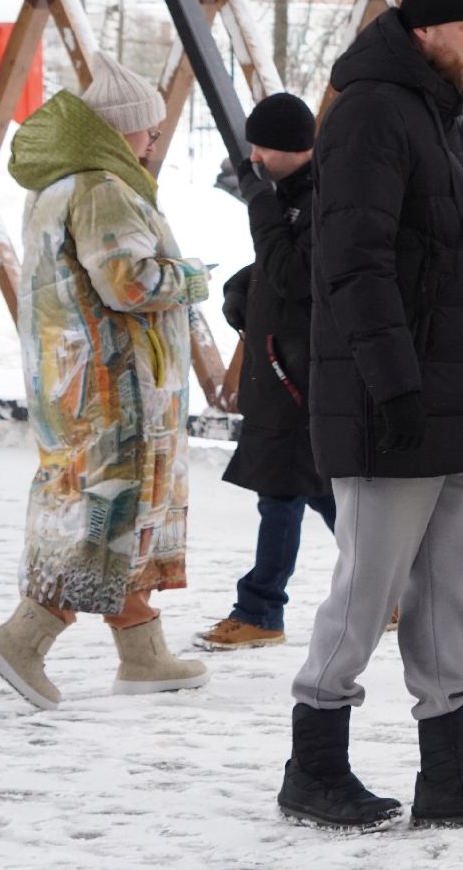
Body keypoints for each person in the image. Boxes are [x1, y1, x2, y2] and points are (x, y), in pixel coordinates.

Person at [280, 0, 463, 829]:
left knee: (449, 592)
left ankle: (452, 774)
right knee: (367, 590)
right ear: (425, 30)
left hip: (451, 399)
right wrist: (393, 386)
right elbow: (354, 265)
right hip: (387, 403)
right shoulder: (371, 113)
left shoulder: (440, 118)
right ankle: (313, 767)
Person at [0, 53, 211, 709]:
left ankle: (142, 654)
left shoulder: (60, 184)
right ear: (118, 129)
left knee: (112, 512)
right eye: (148, 127)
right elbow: (128, 283)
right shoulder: (101, 187)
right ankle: (23, 640)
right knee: (104, 515)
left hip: (78, 380)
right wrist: (190, 277)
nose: (154, 139)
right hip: (115, 387)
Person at [196, 93, 334, 650]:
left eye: (262, 148)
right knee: (312, 489)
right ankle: (393, 585)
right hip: (282, 367)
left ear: (292, 149)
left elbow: (296, 275)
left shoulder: (323, 196)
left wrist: (258, 202)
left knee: (282, 490)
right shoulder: (292, 193)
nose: (252, 157)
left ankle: (260, 610)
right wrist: (244, 288)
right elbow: (278, 266)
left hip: (296, 373)